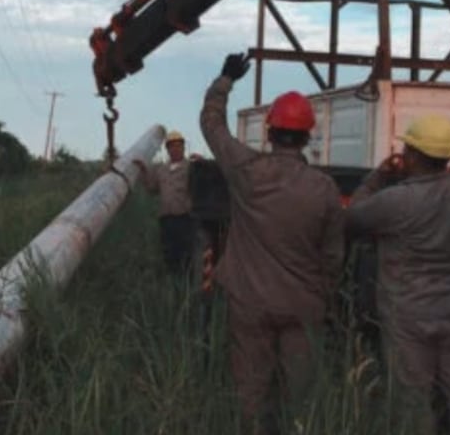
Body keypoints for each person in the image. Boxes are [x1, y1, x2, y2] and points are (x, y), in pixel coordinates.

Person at [346, 100, 450, 435]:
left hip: (407, 316)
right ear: (448, 155)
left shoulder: (395, 202)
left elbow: (352, 217)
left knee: (411, 401)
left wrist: (377, 176)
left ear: (410, 154)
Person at [199, 52, 345, 433]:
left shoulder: (247, 172)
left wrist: (225, 80)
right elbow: (332, 257)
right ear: (307, 135)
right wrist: (324, 298)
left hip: (249, 303)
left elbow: (212, 125)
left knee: (250, 395)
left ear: (269, 131)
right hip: (303, 306)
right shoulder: (324, 190)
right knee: (299, 400)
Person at [134, 130, 199, 275]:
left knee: (187, 255)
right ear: (167, 149)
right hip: (166, 219)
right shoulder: (161, 170)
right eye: (172, 146)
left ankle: (187, 287)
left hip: (185, 219)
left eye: (179, 146)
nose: (176, 149)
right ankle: (174, 286)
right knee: (170, 255)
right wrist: (144, 172)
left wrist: (202, 162)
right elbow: (152, 189)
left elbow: (204, 182)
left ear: (183, 148)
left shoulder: (191, 167)